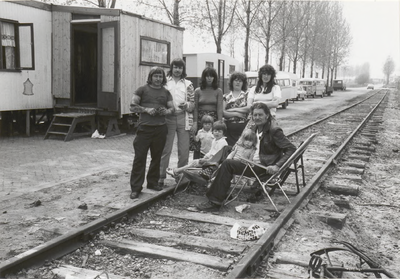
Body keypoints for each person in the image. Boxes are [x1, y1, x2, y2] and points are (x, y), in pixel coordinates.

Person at [196, 102, 296, 211]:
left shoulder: (274, 130)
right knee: (226, 149)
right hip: (250, 161)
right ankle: (219, 185)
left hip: (261, 167)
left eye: (260, 115)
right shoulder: (256, 127)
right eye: (255, 115)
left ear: (267, 115)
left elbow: (291, 149)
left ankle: (215, 201)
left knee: (227, 164)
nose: (257, 117)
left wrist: (277, 166)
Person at [129, 67, 174, 199]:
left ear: (163, 78)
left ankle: (152, 183)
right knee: (139, 158)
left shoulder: (166, 92)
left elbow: (172, 108)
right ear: (150, 77)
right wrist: (146, 109)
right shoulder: (141, 90)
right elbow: (132, 106)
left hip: (160, 128)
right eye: (155, 76)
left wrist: (166, 111)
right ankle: (136, 188)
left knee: (157, 157)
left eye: (160, 76)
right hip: (144, 129)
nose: (158, 79)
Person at [159, 58, 195, 186]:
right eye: (175, 67)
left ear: (183, 69)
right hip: (168, 118)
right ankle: (161, 177)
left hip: (182, 118)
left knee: (184, 150)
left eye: (180, 68)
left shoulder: (188, 84)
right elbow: (159, 98)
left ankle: (181, 177)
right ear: (171, 68)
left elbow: (192, 102)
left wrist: (188, 105)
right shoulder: (165, 82)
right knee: (165, 149)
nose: (178, 70)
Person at [191, 67, 224, 159]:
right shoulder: (197, 90)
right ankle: (196, 165)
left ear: (214, 78)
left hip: (213, 119)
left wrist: (219, 123)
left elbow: (219, 108)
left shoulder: (218, 91)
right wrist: (194, 123)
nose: (209, 78)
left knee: (213, 142)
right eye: (207, 76)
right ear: (204, 77)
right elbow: (196, 108)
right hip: (200, 120)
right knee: (199, 143)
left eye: (212, 76)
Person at [223, 71, 250, 146]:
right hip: (229, 130)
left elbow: (248, 109)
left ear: (243, 83)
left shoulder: (247, 95)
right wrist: (237, 114)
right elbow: (223, 113)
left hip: (243, 129)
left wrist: (231, 110)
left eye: (240, 81)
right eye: (236, 80)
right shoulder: (226, 96)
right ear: (232, 82)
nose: (238, 83)